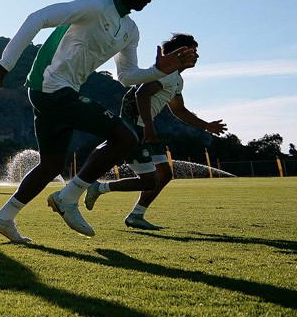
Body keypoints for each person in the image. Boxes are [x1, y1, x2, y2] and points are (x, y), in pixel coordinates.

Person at [0, 0, 195, 243]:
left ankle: (4, 217)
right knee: (125, 137)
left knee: (51, 165)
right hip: (51, 87)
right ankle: (68, 198)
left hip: (59, 93)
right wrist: (6, 63)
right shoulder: (96, 6)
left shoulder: (131, 30)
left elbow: (126, 76)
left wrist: (159, 71)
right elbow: (38, 17)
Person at [82, 34, 228, 229]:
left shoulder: (176, 79)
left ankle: (136, 215)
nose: (197, 55)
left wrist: (206, 125)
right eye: (193, 51)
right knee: (149, 180)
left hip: (144, 128)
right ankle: (99, 188)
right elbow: (142, 93)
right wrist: (148, 126)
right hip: (135, 129)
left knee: (165, 174)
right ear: (180, 52)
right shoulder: (166, 73)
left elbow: (179, 110)